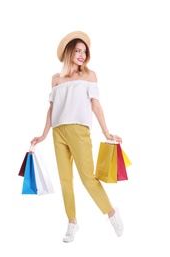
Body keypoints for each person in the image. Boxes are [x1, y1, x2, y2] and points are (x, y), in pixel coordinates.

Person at [31, 31, 124, 243]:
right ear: (69, 52)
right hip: (58, 132)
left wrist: (107, 132)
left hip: (80, 131)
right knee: (65, 180)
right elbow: (52, 108)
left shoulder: (89, 76)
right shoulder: (56, 79)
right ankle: (72, 222)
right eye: (78, 50)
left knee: (87, 178)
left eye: (84, 51)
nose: (82, 54)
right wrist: (44, 133)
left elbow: (96, 105)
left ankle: (112, 214)